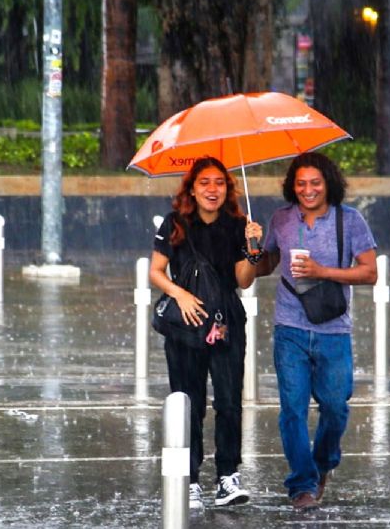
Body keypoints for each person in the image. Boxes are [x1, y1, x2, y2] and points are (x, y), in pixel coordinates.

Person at [255, 152, 377, 510]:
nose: (308, 190)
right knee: (292, 409)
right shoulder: (281, 219)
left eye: (315, 183)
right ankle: (302, 485)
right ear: (292, 186)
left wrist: (323, 271)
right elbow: (265, 265)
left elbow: (370, 273)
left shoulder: (350, 220)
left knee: (336, 407)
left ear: (328, 184)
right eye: (301, 183)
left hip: (333, 329)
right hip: (289, 327)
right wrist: (252, 247)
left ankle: (322, 465)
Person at [149, 156, 263, 510]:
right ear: (192, 188)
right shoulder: (175, 223)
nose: (212, 190)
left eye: (219, 183)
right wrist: (179, 294)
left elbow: (243, 281)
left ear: (227, 188)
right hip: (185, 324)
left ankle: (228, 476)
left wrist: (253, 249)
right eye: (204, 183)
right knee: (189, 404)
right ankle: (191, 479)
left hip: (226, 320)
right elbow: (155, 271)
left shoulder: (239, 224)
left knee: (229, 402)